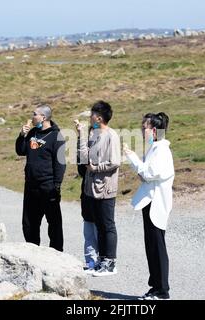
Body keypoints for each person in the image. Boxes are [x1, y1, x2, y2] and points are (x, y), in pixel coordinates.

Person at [124, 112, 174, 300]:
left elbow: (150, 172)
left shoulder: (162, 149)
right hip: (149, 201)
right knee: (151, 247)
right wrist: (138, 165)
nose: (141, 131)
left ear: (153, 130)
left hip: (157, 204)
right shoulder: (154, 148)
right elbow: (144, 174)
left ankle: (162, 291)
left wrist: (132, 158)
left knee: (157, 246)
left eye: (143, 128)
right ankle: (155, 287)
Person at [75, 101, 121, 277]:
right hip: (90, 188)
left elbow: (115, 161)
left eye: (92, 115)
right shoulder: (93, 134)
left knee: (107, 225)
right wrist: (81, 134)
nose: (90, 117)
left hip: (106, 188)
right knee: (99, 226)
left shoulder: (112, 136)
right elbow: (84, 159)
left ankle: (110, 263)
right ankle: (100, 261)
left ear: (99, 117)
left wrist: (97, 168)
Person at [16, 104, 66, 252]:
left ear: (43, 117)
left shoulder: (57, 137)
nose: (32, 117)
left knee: (54, 223)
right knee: (29, 223)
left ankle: (56, 253)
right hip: (31, 186)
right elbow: (21, 151)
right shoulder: (32, 133)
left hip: (48, 186)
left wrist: (56, 186)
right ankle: (33, 252)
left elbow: (60, 163)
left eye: (34, 114)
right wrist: (22, 136)